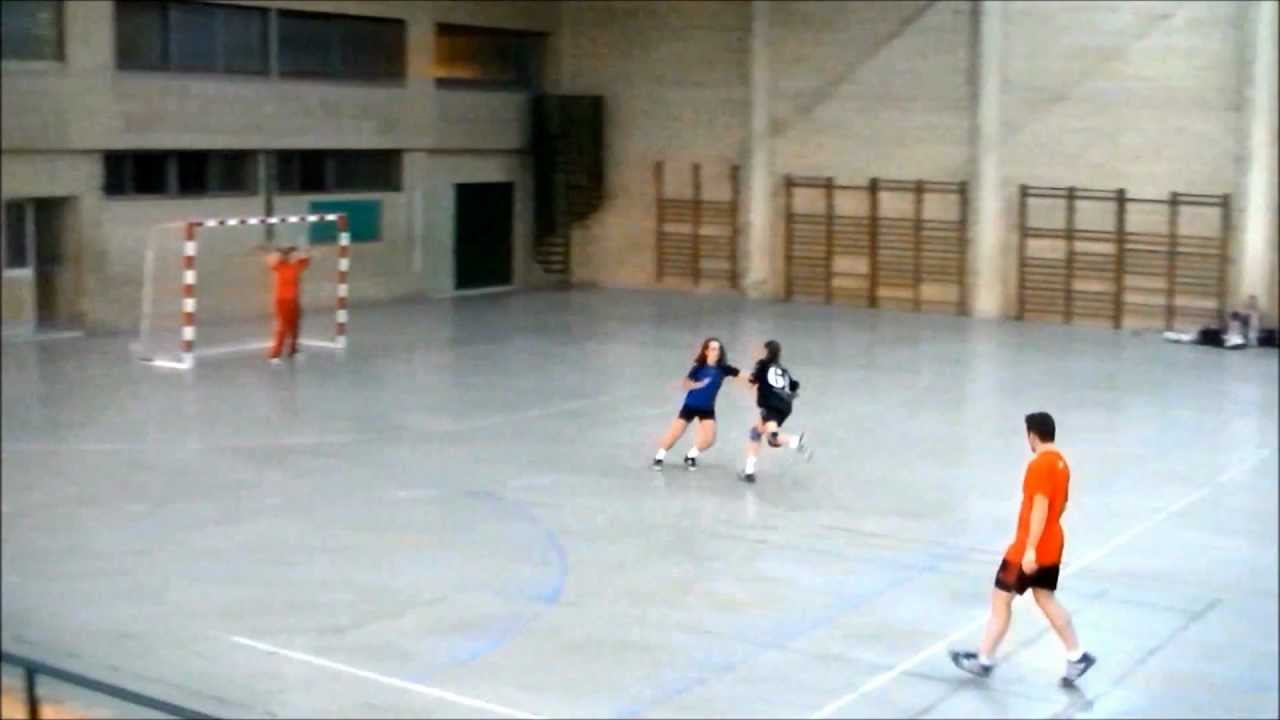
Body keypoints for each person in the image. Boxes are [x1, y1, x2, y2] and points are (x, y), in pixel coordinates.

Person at [950, 412, 1096, 685]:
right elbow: (1061, 504)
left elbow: (1039, 506)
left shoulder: (1039, 465)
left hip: (1029, 547)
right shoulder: (1062, 464)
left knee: (1000, 600)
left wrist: (1030, 549)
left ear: (1032, 435)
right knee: (1045, 598)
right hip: (1053, 542)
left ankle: (984, 660)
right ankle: (1077, 654)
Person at [652, 337, 742, 471]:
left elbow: (742, 374)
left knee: (710, 439)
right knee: (675, 433)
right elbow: (685, 384)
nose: (716, 352)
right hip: (690, 406)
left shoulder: (723, 369)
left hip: (707, 408)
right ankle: (659, 456)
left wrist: (757, 377)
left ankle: (690, 456)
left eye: (718, 349)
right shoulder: (698, 368)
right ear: (706, 351)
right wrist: (699, 384)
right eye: (713, 349)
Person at [741, 340, 811, 484]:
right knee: (756, 432)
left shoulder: (762, 364)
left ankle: (795, 441)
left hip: (771, 405)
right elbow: (794, 385)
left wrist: (751, 381)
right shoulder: (783, 370)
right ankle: (749, 470)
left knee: (773, 437)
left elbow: (753, 379)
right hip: (785, 406)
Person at [266, 245, 310, 364]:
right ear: (288, 256)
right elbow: (270, 261)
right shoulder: (280, 266)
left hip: (294, 300)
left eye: (296, 255)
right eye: (293, 255)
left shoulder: (297, 266)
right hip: (282, 301)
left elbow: (306, 259)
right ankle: (274, 355)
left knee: (295, 327)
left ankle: (293, 351)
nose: (296, 256)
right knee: (283, 328)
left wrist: (301, 252)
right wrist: (278, 253)